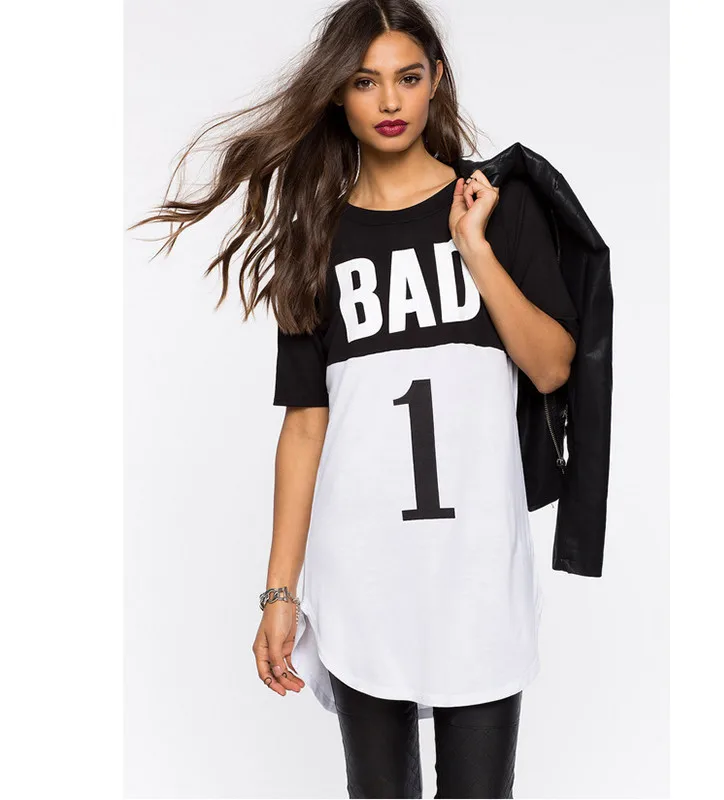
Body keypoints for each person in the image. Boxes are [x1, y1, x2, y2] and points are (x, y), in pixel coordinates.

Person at [130, 1, 580, 796]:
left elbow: (550, 368)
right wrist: (280, 594)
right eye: (366, 82)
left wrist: (473, 250)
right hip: (363, 569)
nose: (390, 100)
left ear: (436, 79)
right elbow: (306, 426)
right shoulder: (319, 238)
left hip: (479, 566)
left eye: (408, 77)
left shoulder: (494, 208)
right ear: (338, 92)